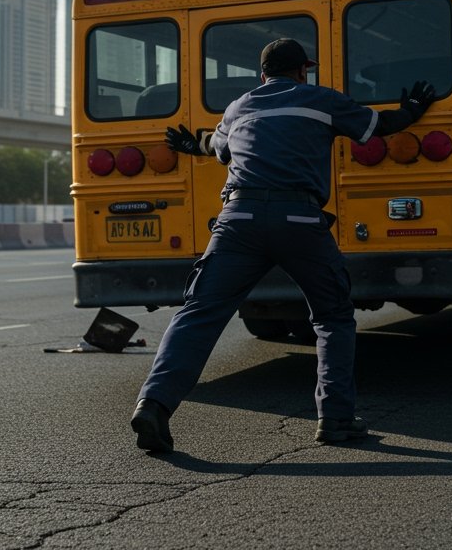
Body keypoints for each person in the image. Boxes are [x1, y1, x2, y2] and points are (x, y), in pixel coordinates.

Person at [130, 38, 436, 453]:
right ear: (301, 71)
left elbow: (214, 146)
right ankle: (336, 420)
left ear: (262, 76)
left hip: (237, 221)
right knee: (331, 317)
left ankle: (154, 404)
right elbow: (378, 127)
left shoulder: (240, 107)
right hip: (299, 220)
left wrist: (189, 145)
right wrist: (413, 111)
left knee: (199, 313)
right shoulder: (320, 100)